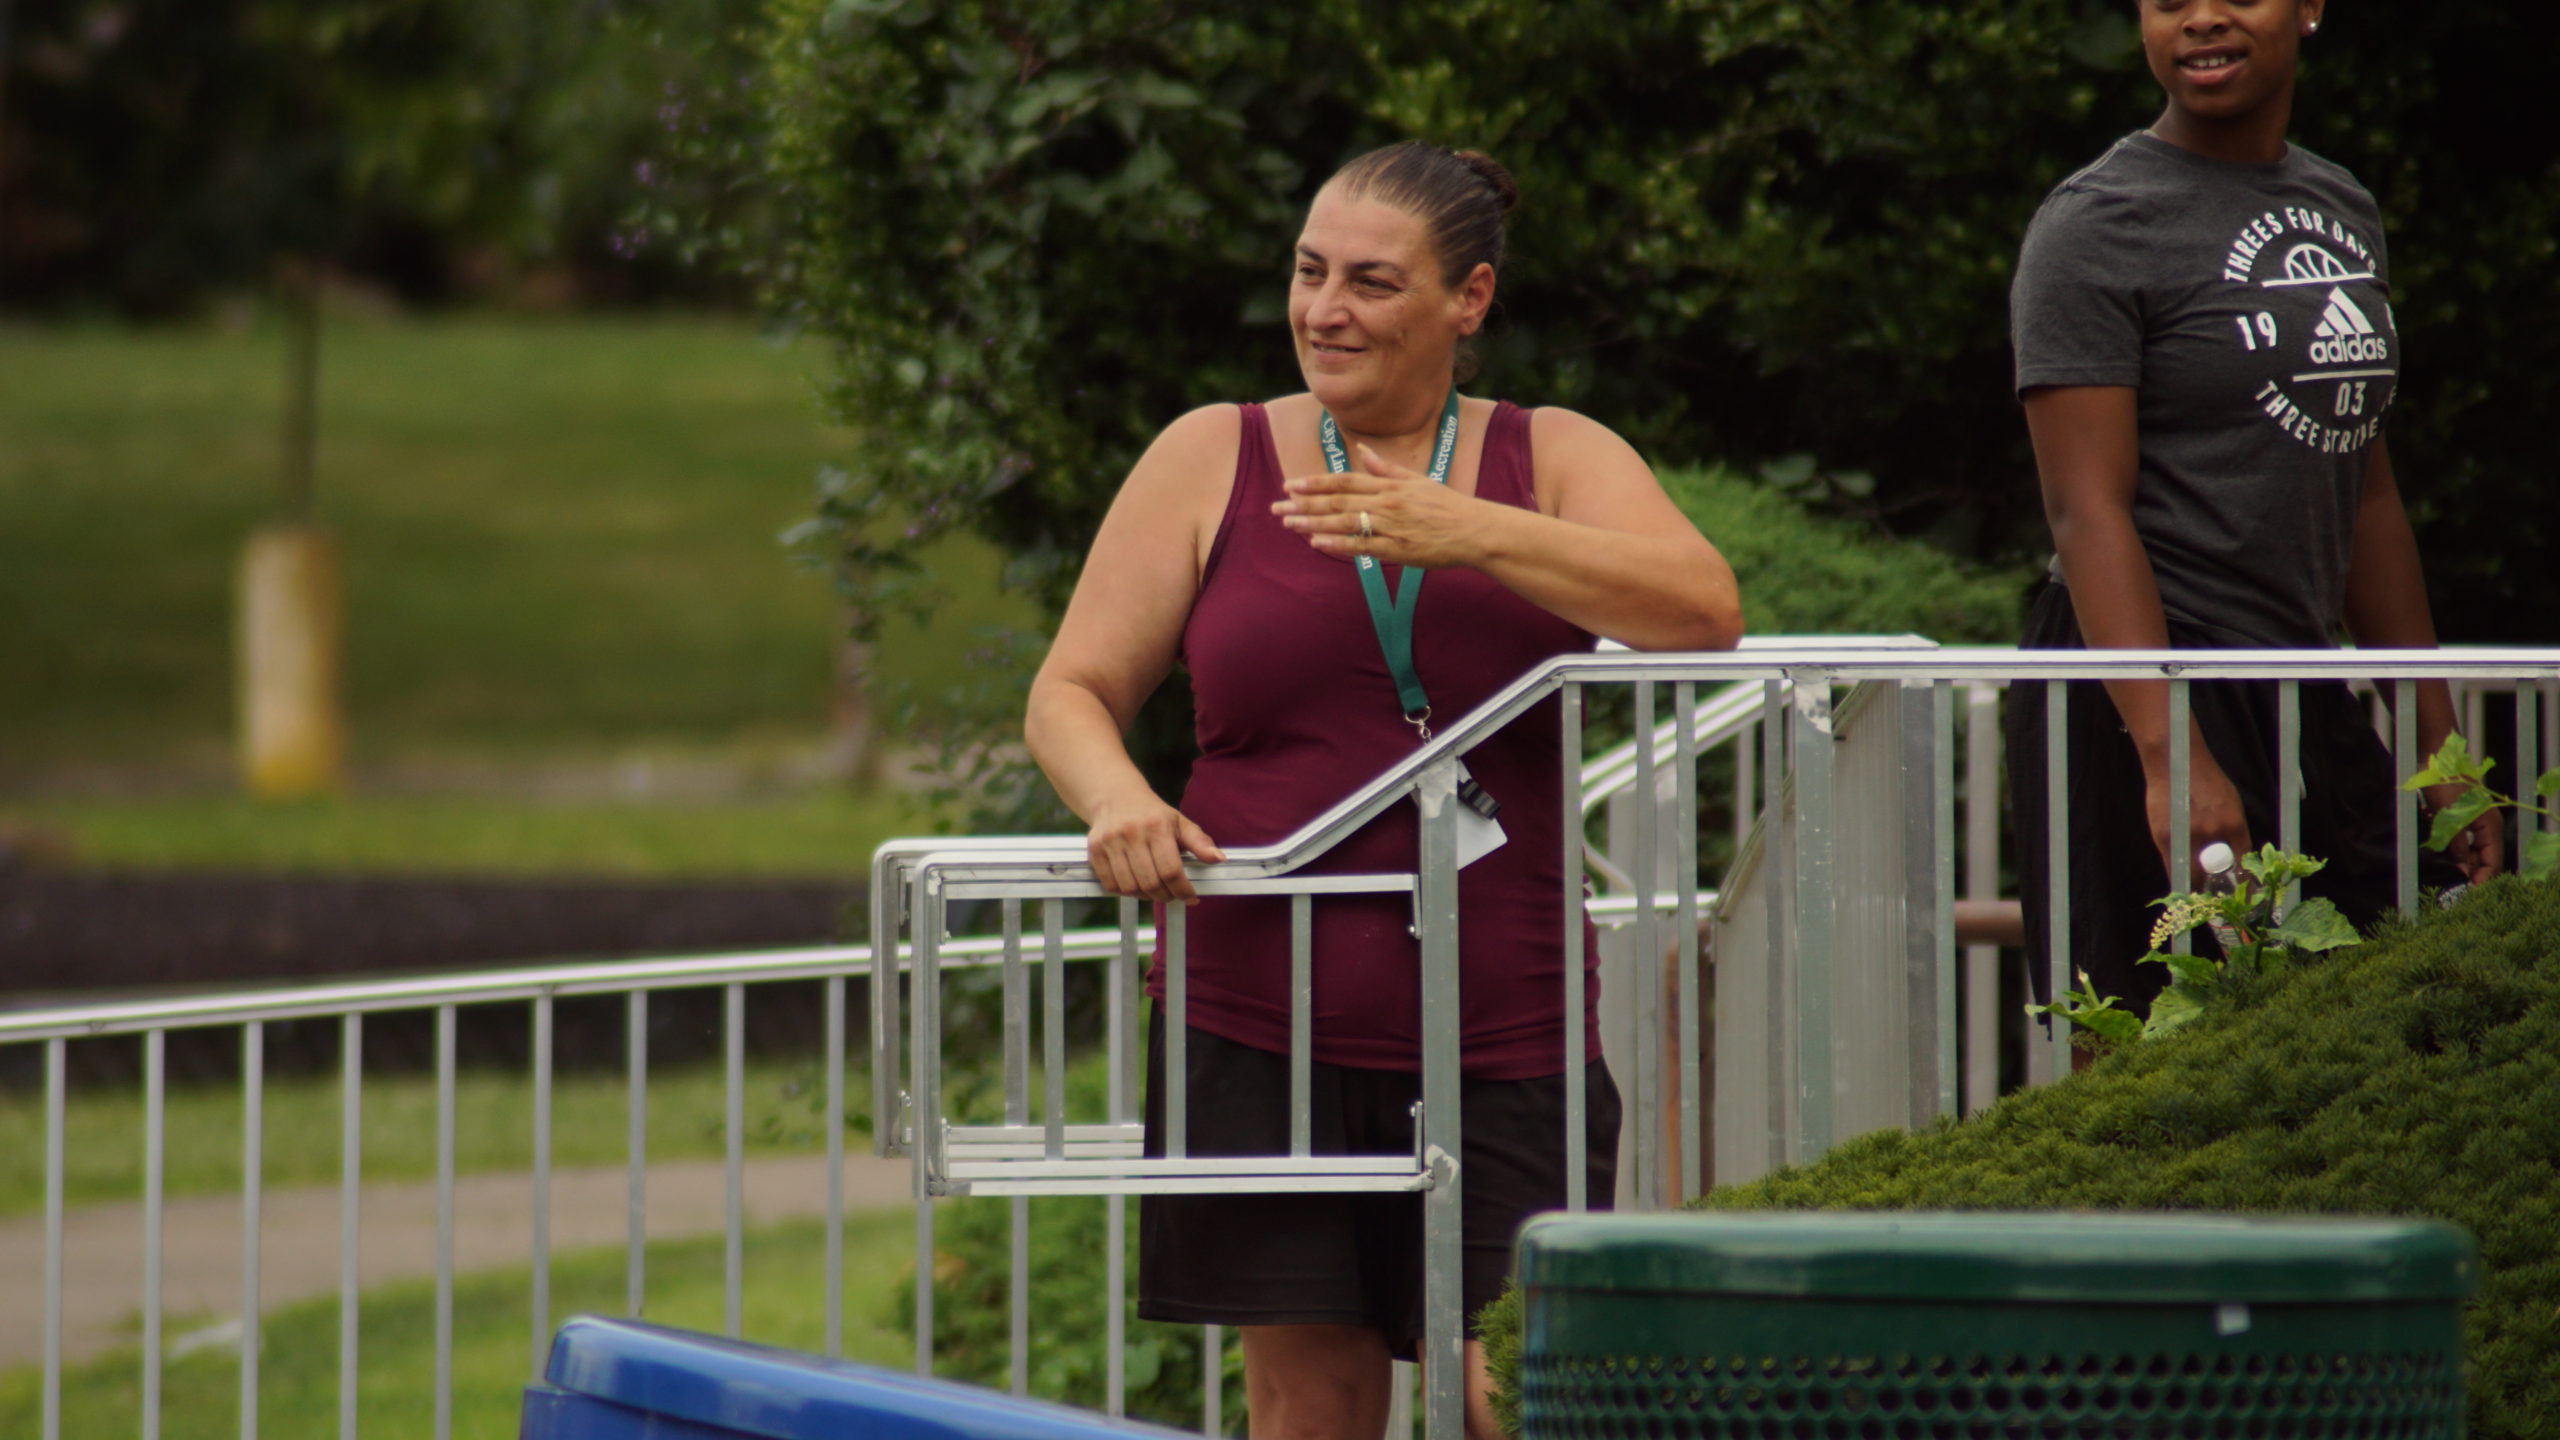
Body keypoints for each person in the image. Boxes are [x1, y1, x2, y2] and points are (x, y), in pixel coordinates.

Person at [1024, 141, 1740, 1440]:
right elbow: (1070, 691)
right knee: (1313, 1408)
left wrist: (1471, 530)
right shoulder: (1213, 452)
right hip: (1256, 1010)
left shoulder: (1548, 453)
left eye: (1370, 281)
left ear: (1468, 299)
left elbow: (1704, 611)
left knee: (1513, 1394)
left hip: (1505, 1019)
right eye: (1309, 274)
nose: (1325, 310)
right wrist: (1116, 802)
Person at [2004, 0, 2502, 1023]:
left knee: (2386, 1000)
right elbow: (2084, 509)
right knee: (2152, 1046)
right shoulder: (2096, 221)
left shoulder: (2340, 204)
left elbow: (2364, 490)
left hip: (2297, 673)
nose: (2201, 18)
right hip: (2142, 680)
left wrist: (2437, 748)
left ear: (2309, 6)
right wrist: (2172, 755)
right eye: (2167, 1)